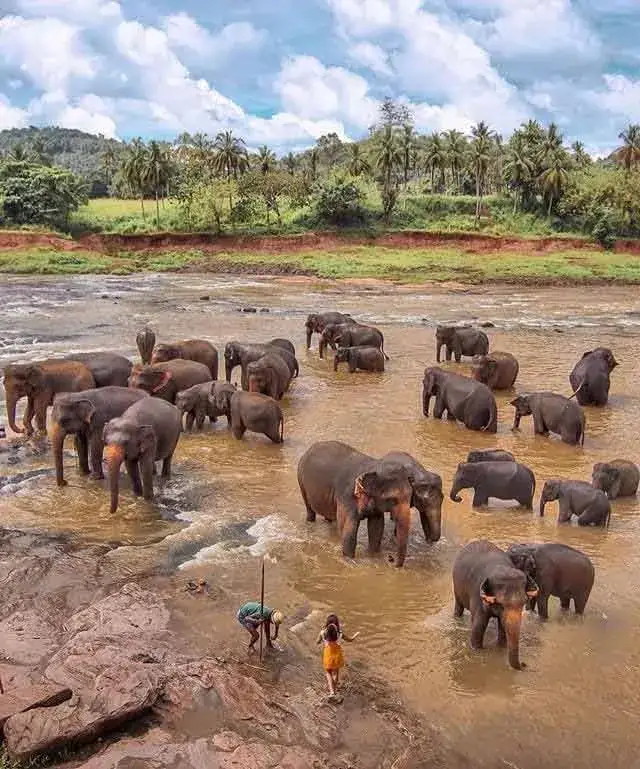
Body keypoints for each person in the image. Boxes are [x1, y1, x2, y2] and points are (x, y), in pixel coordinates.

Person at [316, 613, 359, 699]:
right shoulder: (340, 634)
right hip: (337, 657)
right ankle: (334, 691)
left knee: (328, 672)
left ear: (327, 623)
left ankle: (331, 692)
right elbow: (350, 640)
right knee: (335, 673)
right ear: (337, 624)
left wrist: (320, 641)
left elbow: (317, 641)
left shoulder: (323, 633)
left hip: (327, 656)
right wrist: (356, 635)